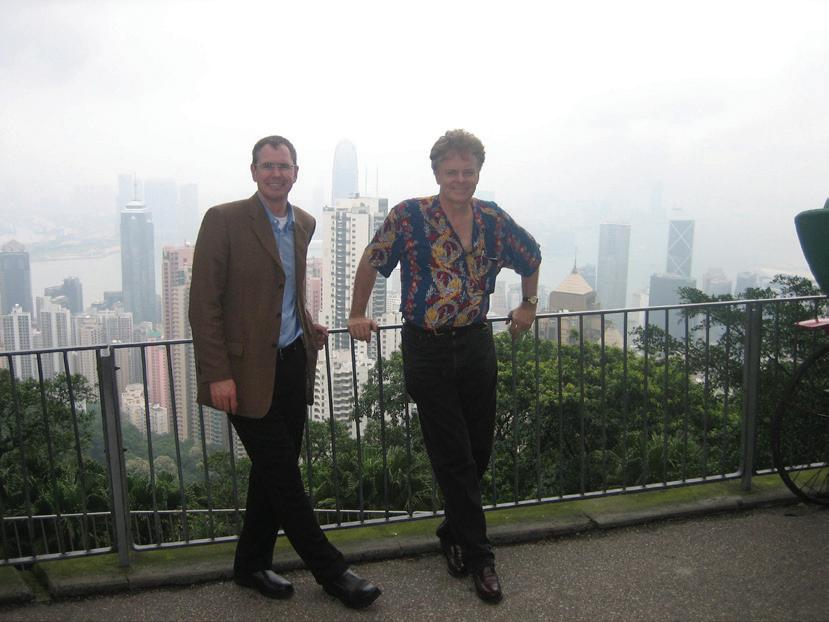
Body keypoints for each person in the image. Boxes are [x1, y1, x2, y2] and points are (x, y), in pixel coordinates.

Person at [348, 129, 541, 604]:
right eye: (451, 171)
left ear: (478, 172)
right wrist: (356, 313)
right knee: (454, 455)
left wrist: (529, 304)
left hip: (476, 343)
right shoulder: (409, 217)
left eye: (467, 171)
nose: (460, 179)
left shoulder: (493, 220)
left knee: (479, 450)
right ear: (436, 173)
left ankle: (451, 533)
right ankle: (480, 558)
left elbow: (531, 255)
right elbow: (372, 260)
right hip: (427, 348)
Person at [189, 135, 381, 610]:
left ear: (296, 173)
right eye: (267, 165)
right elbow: (204, 304)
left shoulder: (304, 223)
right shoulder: (223, 220)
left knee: (271, 474)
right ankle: (333, 573)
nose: (276, 173)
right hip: (243, 373)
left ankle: (250, 563)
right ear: (253, 171)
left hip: (293, 363)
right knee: (286, 478)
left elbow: (285, 289)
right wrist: (217, 373)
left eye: (284, 166)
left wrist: (306, 323)